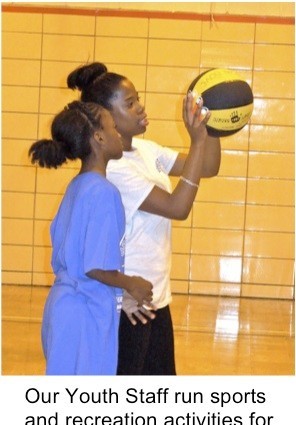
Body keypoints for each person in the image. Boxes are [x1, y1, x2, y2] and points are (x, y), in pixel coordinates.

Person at [67, 63, 221, 375]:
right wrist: (197, 141)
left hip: (156, 296)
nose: (140, 107)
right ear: (106, 117)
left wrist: (212, 127)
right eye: (130, 103)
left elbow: (206, 166)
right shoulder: (115, 168)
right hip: (129, 299)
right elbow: (178, 207)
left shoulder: (145, 150)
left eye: (138, 99)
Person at [28, 100, 153, 375]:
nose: (119, 132)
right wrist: (131, 283)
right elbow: (94, 266)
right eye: (112, 127)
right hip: (83, 315)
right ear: (98, 137)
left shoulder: (77, 186)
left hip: (65, 311)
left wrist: (121, 294)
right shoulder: (104, 192)